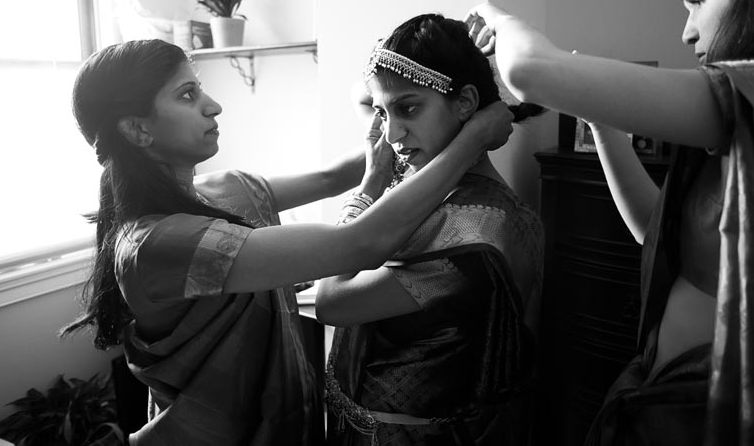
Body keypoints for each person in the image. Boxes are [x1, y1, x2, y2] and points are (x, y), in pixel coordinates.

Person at [60, 38, 515, 446]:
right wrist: (473, 136)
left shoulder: (223, 190)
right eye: (187, 95)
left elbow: (334, 176)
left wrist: (439, 111)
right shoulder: (157, 243)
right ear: (137, 129)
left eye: (199, 87)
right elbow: (360, 244)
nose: (213, 105)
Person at [465, 0, 754, 444]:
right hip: (667, 391)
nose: (687, 32)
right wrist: (601, 123)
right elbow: (655, 232)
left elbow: (528, 69)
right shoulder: (746, 120)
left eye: (697, 1)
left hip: (709, 410)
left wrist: (501, 19)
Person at [316, 13, 546, 446]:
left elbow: (331, 302)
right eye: (383, 113)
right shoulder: (447, 198)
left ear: (465, 103)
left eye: (407, 109)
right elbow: (363, 95)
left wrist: (370, 185)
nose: (392, 134)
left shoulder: (467, 232)